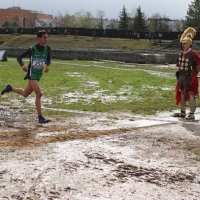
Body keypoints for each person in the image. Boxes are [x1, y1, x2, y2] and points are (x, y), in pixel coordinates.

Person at [1, 30, 51, 123]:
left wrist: (48, 65)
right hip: (31, 74)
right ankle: (40, 117)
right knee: (39, 94)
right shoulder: (32, 49)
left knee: (25, 94)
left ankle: (10, 88)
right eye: (44, 38)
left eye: (47, 38)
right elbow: (19, 57)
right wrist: (23, 65)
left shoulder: (48, 48)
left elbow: (48, 58)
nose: (46, 40)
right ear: (39, 38)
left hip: (38, 74)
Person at [173, 27, 200, 120]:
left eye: (184, 43)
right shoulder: (181, 54)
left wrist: (194, 75)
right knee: (182, 93)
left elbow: (197, 66)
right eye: (182, 43)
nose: (183, 45)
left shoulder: (194, 54)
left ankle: (192, 113)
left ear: (189, 44)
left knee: (191, 93)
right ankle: (182, 111)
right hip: (181, 76)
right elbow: (178, 64)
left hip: (189, 76)